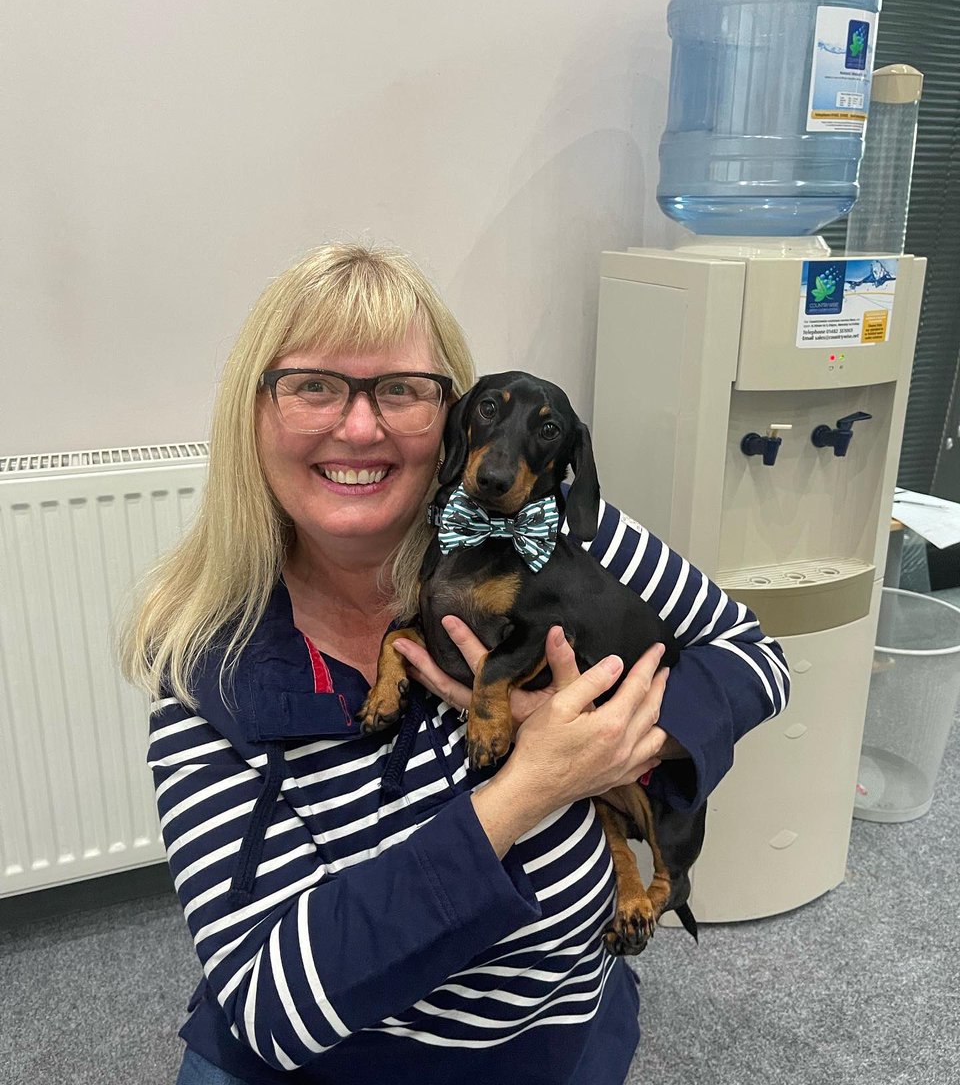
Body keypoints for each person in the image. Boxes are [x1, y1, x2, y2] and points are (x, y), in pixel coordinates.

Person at [121, 243, 789, 1085]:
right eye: (313, 385)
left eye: (400, 389)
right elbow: (268, 1006)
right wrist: (531, 786)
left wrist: (621, 741)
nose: (359, 427)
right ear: (250, 414)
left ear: (450, 411)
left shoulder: (558, 534)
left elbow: (755, 656)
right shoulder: (208, 668)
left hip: (561, 1047)